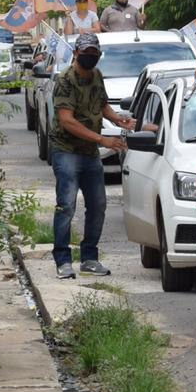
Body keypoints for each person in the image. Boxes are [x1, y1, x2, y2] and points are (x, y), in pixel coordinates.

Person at [51, 33, 134, 278]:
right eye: (85, 54)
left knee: (98, 205)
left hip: (89, 153)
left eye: (94, 54)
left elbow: (102, 104)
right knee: (66, 205)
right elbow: (67, 120)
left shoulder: (96, 75)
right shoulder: (65, 80)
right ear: (76, 53)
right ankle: (63, 260)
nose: (90, 58)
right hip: (66, 150)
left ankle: (89, 257)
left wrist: (119, 119)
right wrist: (102, 139)